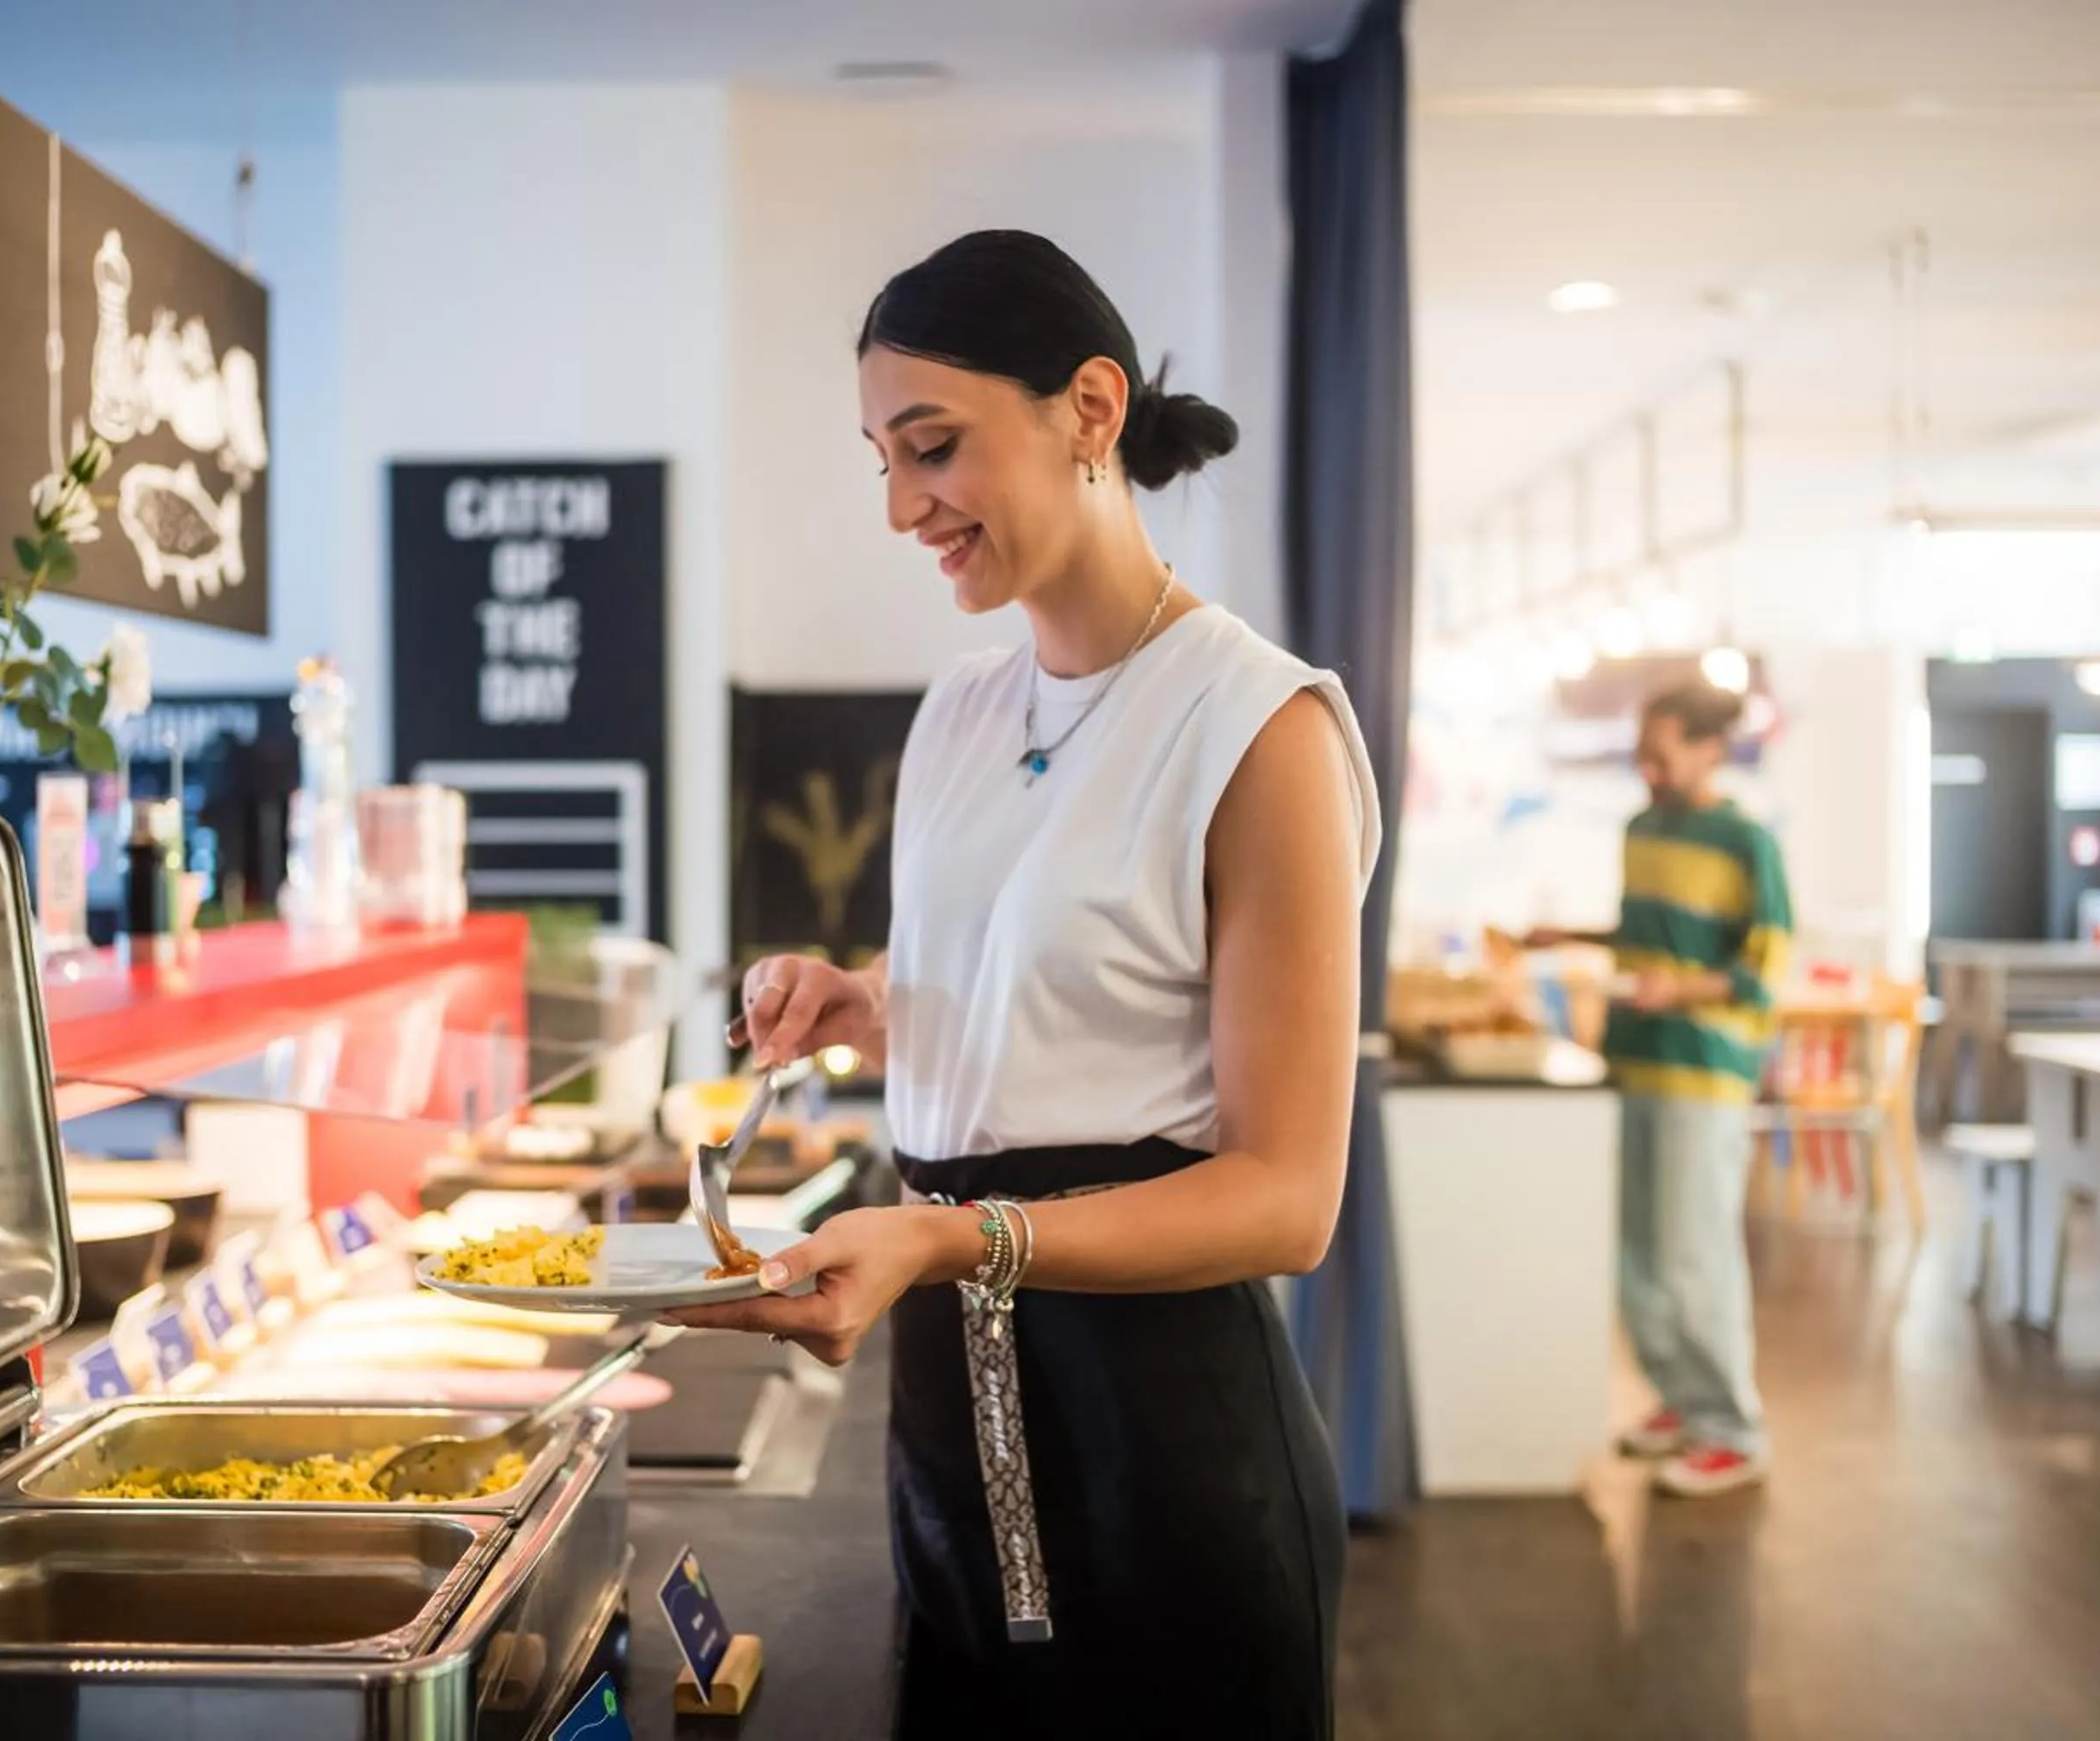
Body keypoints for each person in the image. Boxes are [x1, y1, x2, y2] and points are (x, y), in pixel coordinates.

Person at [667, 230, 1381, 1738]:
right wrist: (865, 996)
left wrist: (948, 1237)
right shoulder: (964, 710)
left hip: (1164, 1453)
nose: (900, 506)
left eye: (932, 448)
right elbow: (1047, 973)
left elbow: (1287, 1197)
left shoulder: (1261, 732)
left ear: (1092, 411)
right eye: (880, 458)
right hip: (948, 1438)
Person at [1528, 681, 1793, 1499]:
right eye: (1642, 745)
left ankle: (1732, 1429)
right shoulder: (1642, 827)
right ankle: (1680, 1401)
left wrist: (1677, 994)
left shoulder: (1747, 841)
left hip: (1702, 1072)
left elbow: (1766, 968)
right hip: (1632, 1061)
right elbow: (1645, 937)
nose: (1647, 763)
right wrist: (1569, 934)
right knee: (1637, 1251)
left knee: (1691, 1253)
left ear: (1713, 748)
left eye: (1663, 747)